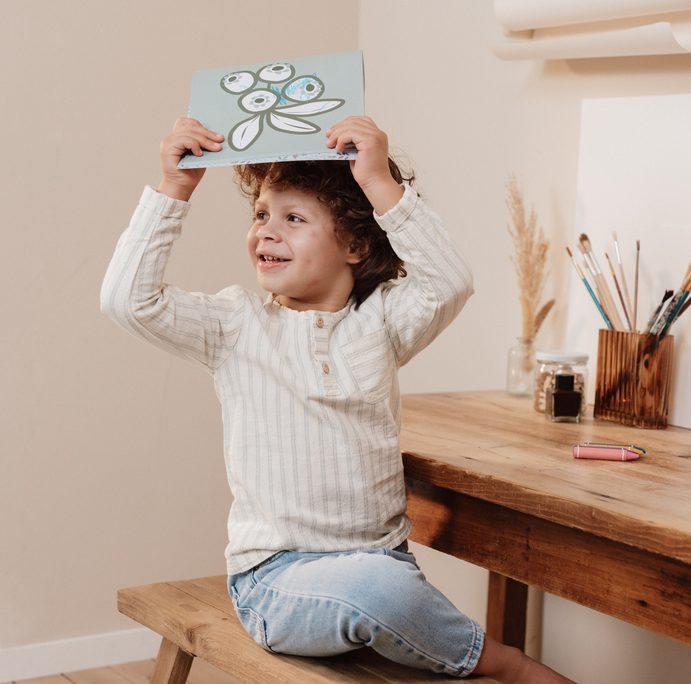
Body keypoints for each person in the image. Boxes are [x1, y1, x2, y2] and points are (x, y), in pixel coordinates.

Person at [101, 116, 571, 683]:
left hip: (382, 561)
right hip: (276, 580)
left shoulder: (382, 322)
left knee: (386, 585)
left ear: (354, 244)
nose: (266, 232)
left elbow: (451, 282)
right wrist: (174, 188)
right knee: (384, 591)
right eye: (261, 215)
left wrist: (378, 183)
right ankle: (507, 664)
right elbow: (128, 300)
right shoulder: (235, 325)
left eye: (293, 218)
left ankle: (422, 624)